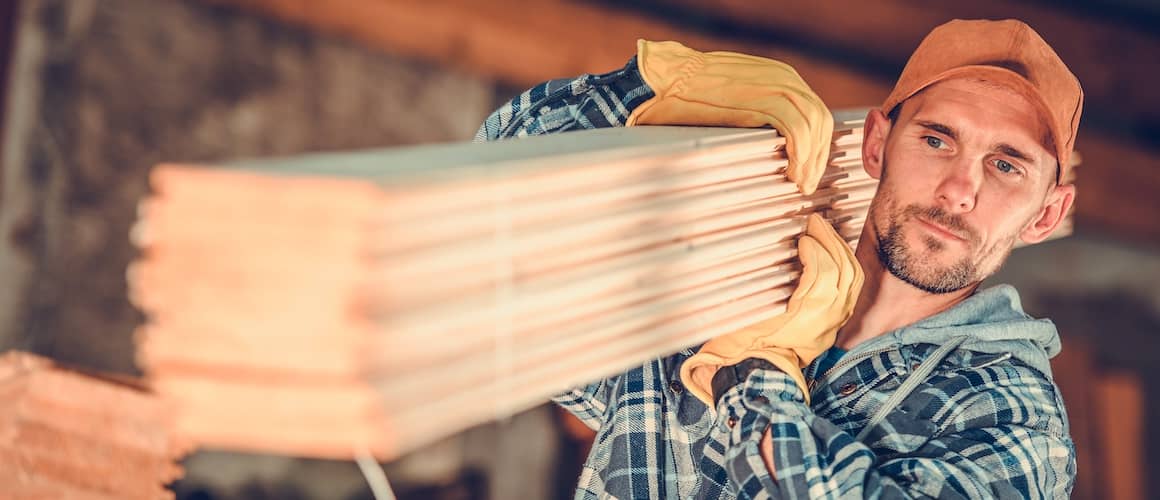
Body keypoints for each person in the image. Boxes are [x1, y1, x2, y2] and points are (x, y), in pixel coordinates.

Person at [477, 19, 1079, 499]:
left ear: (1047, 214)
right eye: (936, 139)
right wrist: (650, 85)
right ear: (876, 145)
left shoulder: (1013, 416)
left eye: (1006, 165)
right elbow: (489, 212)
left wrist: (759, 372)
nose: (957, 189)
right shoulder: (732, 279)